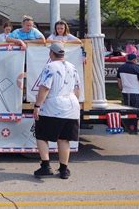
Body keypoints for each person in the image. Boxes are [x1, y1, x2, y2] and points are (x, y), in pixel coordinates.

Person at [33, 43, 81, 180]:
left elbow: (45, 88)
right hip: (71, 105)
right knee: (64, 138)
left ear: (51, 54)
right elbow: (77, 88)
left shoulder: (50, 67)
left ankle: (46, 165)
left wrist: (37, 105)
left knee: (42, 135)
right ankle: (64, 169)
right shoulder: (72, 67)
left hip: (54, 106)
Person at [117, 53, 139, 134]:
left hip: (125, 92)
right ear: (134, 60)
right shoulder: (137, 68)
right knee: (137, 111)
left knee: (128, 110)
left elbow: (119, 81)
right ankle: (137, 128)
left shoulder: (121, 68)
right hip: (136, 92)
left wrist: (121, 89)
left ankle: (128, 127)